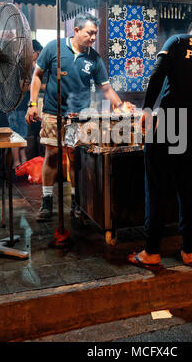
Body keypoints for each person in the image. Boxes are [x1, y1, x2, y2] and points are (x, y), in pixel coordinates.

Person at [128, 17, 192, 269]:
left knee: (157, 185)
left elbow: (157, 74)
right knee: (190, 190)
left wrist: (147, 109)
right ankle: (188, 250)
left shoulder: (179, 41)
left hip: (171, 121)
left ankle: (151, 252)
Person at [25, 13, 125, 222]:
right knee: (51, 155)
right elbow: (37, 75)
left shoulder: (94, 58)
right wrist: (33, 104)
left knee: (74, 157)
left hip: (78, 117)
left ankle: (76, 200)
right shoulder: (54, 48)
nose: (93, 37)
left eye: (95, 34)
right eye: (90, 32)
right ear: (76, 31)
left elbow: (105, 88)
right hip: (53, 112)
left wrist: (121, 106)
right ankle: (46, 201)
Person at [6, 39, 43, 170]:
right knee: (16, 136)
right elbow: (22, 86)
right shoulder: (20, 67)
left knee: (21, 135)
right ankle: (17, 162)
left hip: (20, 107)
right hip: (17, 107)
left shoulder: (28, 66)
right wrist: (33, 86)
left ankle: (22, 161)